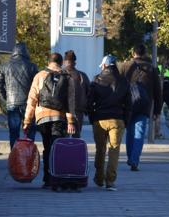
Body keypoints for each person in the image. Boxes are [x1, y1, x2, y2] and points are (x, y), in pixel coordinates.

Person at [23, 52, 77, 189]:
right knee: (57, 148)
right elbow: (70, 101)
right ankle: (56, 178)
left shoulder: (40, 75)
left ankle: (47, 179)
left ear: (49, 62)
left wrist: (27, 121)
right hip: (59, 117)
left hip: (42, 117)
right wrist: (70, 120)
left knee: (47, 148)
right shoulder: (67, 77)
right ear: (61, 62)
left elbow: (32, 99)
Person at [87, 54, 129, 190]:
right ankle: (110, 182)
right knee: (114, 150)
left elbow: (89, 102)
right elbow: (129, 104)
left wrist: (92, 117)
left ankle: (99, 178)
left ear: (104, 66)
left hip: (99, 119)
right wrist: (125, 120)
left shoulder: (97, 79)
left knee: (100, 149)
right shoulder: (123, 81)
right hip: (117, 119)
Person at [121, 45, 162, 171]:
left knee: (130, 132)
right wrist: (157, 111)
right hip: (144, 105)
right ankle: (134, 160)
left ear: (133, 53)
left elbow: (118, 87)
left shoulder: (125, 66)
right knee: (139, 132)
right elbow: (158, 91)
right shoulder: (152, 69)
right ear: (144, 54)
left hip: (128, 105)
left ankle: (129, 157)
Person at [0, 44, 39, 147]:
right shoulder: (32, 66)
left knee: (14, 133)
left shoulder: (4, 66)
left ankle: (14, 157)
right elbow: (37, 86)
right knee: (29, 132)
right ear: (25, 52)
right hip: (28, 104)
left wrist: (6, 98)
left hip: (12, 103)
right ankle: (28, 155)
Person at [63, 49, 90, 136]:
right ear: (75, 62)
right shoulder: (82, 75)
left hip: (62, 112)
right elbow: (89, 93)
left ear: (64, 62)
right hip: (78, 112)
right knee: (76, 138)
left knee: (63, 139)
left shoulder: (59, 74)